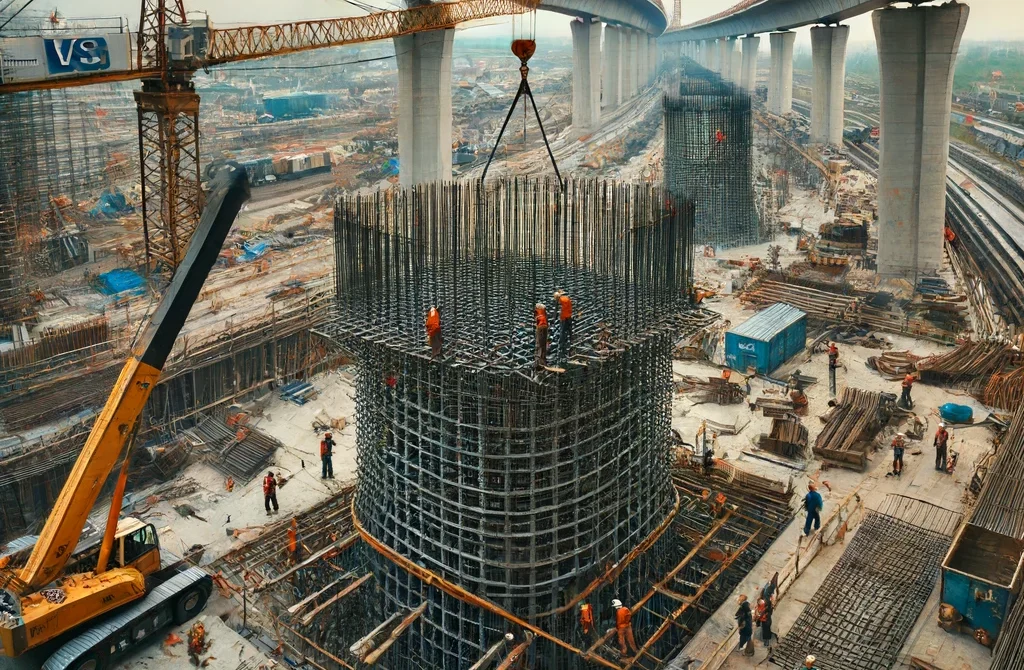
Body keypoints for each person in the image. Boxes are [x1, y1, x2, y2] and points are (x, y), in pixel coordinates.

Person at [554, 290, 573, 360]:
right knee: (569, 330)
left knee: (562, 331)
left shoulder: (561, 300)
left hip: (564, 318)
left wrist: (559, 317)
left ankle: (561, 345)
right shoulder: (567, 298)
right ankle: (571, 340)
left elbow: (562, 310)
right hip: (569, 316)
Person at [535, 303, 549, 367]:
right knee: (543, 345)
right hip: (544, 327)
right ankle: (543, 360)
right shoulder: (544, 314)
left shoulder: (539, 314)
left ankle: (540, 362)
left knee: (540, 344)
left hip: (541, 328)